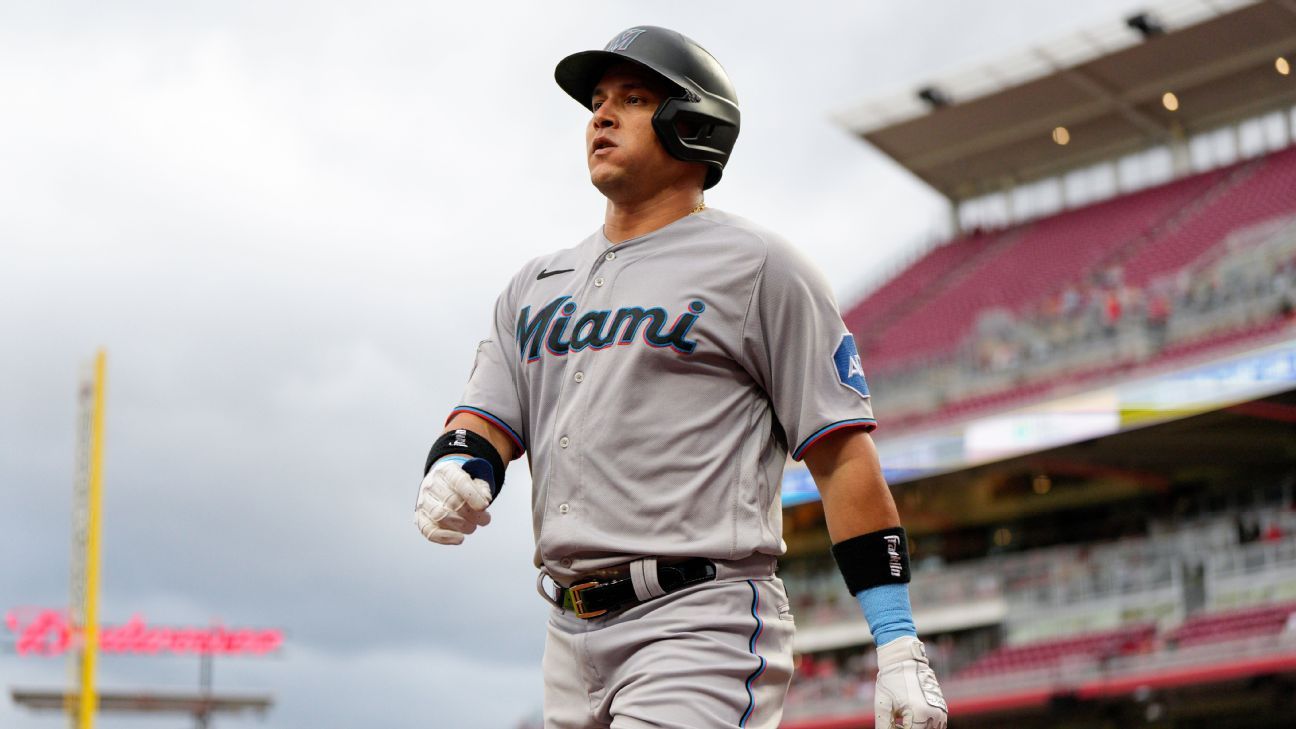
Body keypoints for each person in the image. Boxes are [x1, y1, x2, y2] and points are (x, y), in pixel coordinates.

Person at [414, 26, 948, 729]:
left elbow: (841, 453)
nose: (601, 117)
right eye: (596, 103)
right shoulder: (534, 285)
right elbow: (484, 419)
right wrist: (457, 464)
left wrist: (897, 640)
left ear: (694, 123)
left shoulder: (760, 266)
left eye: (632, 99)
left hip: (701, 622)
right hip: (567, 635)